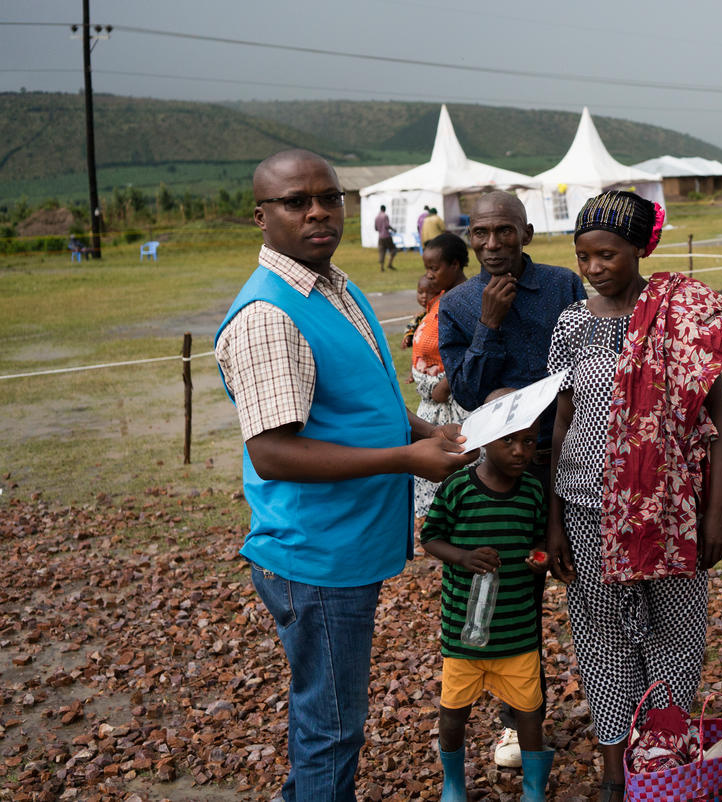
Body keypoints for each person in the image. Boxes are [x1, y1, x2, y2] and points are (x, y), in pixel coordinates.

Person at [213, 149, 475, 801]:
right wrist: (406, 459)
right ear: (261, 216)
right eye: (296, 202)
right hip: (315, 554)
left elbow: (364, 400)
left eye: (328, 197)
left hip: (346, 541)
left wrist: (424, 432)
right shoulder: (269, 315)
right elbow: (275, 453)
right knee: (332, 726)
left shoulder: (333, 283)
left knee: (331, 716)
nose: (317, 212)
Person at [545, 190, 722, 801]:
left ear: (639, 248)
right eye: (583, 256)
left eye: (607, 253)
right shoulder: (573, 324)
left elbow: (719, 423)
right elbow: (559, 419)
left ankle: (666, 765)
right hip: (585, 505)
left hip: (670, 510)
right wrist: (552, 520)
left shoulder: (679, 318)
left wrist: (715, 511)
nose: (595, 267)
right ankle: (613, 774)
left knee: (676, 636)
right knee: (600, 638)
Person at [438, 190, 585, 767]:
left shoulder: (561, 287)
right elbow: (470, 395)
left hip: (569, 456)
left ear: (526, 232)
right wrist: (489, 325)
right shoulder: (457, 305)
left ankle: (613, 706)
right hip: (500, 473)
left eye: (505, 232)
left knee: (577, 577)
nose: (492, 244)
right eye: (480, 233)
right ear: (470, 237)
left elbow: (585, 368)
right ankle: (513, 722)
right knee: (504, 590)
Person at [420, 394, 554, 802]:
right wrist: (462, 556)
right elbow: (430, 538)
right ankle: (453, 783)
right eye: (508, 441)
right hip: (464, 635)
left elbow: (539, 543)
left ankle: (533, 791)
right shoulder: (458, 488)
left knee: (530, 716)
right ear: (485, 440)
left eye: (529, 442)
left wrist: (539, 560)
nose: (519, 451)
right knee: (452, 715)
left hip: (517, 634)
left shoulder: (532, 490)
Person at [412, 233, 472, 517]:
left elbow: (478, 344)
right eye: (427, 268)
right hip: (434, 407)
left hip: (453, 408)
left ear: (456, 264)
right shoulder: (443, 297)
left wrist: (446, 383)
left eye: (434, 268)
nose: (429, 276)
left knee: (455, 476)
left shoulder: (469, 299)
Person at [374, 204, 397, 271]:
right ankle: (390, 264)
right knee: (393, 250)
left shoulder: (376, 217)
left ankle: (382, 267)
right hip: (387, 236)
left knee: (382, 251)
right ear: (385, 209)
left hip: (380, 237)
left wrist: (381, 230)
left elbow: (375, 228)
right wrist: (393, 229)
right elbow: (387, 225)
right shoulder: (385, 216)